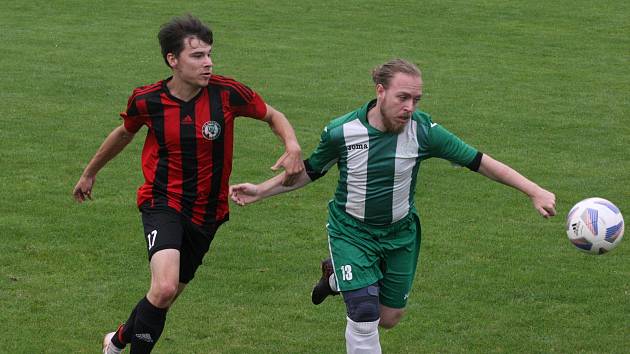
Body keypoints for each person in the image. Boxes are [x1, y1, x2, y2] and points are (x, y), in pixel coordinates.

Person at [230, 58, 556, 354]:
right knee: (364, 312)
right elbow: (311, 171)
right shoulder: (341, 131)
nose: (410, 107)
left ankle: (334, 279)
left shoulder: (424, 132)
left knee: (389, 317)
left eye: (416, 100)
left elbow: (480, 162)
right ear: (380, 91)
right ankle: (349, 280)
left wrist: (534, 190)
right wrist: (262, 191)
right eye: (403, 97)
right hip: (351, 232)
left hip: (399, 234)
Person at [72, 15, 303, 354]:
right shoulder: (147, 100)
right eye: (197, 56)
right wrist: (90, 172)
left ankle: (117, 341)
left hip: (209, 212)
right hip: (162, 201)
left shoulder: (227, 93)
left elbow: (272, 115)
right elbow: (124, 133)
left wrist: (292, 145)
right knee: (163, 288)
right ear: (172, 60)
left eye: (209, 54)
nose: (207, 62)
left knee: (163, 297)